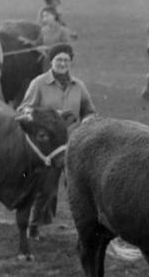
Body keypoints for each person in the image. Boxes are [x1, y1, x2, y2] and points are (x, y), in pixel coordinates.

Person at [18, 43, 96, 228]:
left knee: (78, 189)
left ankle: (83, 225)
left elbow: (89, 110)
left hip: (74, 144)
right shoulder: (39, 83)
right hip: (51, 148)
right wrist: (50, 115)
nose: (63, 63)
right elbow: (24, 109)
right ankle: (34, 225)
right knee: (47, 189)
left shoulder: (79, 86)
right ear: (51, 61)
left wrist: (87, 121)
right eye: (59, 60)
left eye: (66, 60)